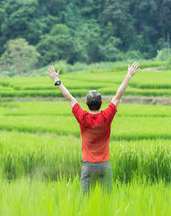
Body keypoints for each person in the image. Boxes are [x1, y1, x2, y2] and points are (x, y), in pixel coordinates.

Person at [47, 62, 140, 195]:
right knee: (107, 201)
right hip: (104, 166)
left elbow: (69, 98)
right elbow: (118, 96)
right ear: (101, 103)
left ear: (86, 103)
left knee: (87, 202)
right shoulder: (107, 116)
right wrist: (129, 75)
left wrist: (56, 80)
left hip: (88, 166)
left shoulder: (83, 117)